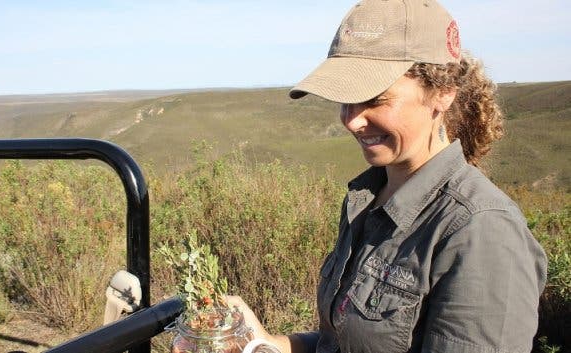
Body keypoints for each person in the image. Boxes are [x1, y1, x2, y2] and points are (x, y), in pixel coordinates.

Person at [227, 0, 548, 352]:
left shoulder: (480, 231)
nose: (351, 120)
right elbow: (341, 342)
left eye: (375, 99)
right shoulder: (367, 198)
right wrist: (263, 344)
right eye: (344, 99)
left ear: (442, 94)